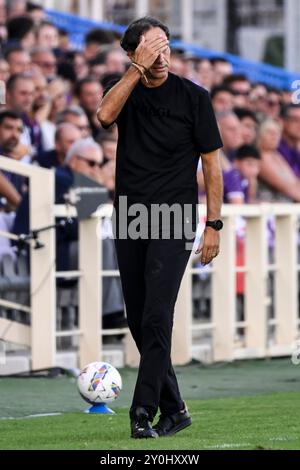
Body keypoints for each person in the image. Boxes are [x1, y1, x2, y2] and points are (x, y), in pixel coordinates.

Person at [97, 16, 223, 439]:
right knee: (139, 320)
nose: (161, 55)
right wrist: (135, 71)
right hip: (131, 214)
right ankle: (176, 408)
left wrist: (213, 225)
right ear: (133, 54)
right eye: (151, 48)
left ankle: (142, 412)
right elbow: (103, 115)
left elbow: (212, 166)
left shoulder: (194, 98)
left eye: (165, 45)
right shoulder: (125, 91)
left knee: (156, 315)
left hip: (174, 216)